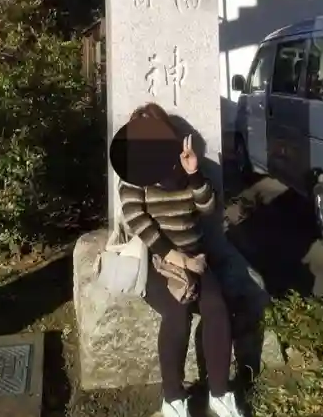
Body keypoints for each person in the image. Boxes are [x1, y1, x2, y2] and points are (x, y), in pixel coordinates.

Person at [119, 103, 244, 417]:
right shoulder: (133, 174)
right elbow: (137, 220)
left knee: (216, 308)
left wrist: (194, 173)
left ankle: (219, 392)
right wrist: (175, 257)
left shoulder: (183, 166)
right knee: (177, 313)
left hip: (195, 258)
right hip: (159, 263)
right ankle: (173, 398)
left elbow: (208, 208)